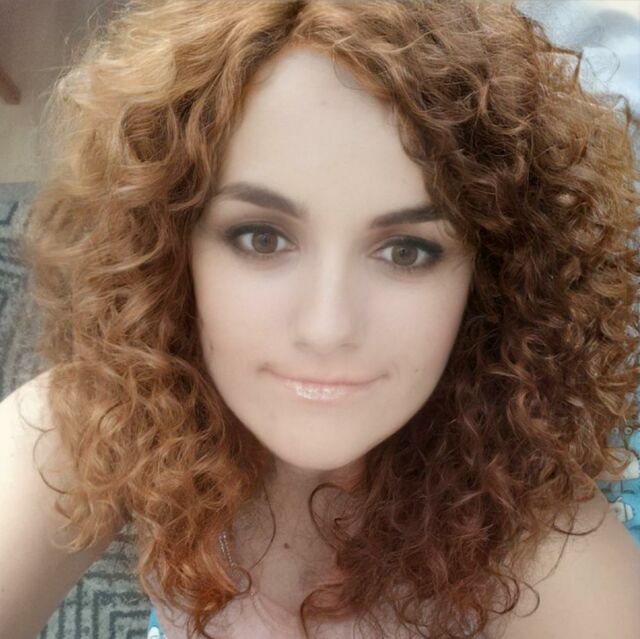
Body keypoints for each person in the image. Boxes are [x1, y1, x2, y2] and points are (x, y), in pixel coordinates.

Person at [1, 0, 639, 638]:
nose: (327, 328)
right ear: (168, 245)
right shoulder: (100, 419)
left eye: (406, 251)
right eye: (262, 239)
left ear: (491, 276)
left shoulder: (542, 541)